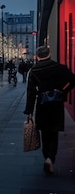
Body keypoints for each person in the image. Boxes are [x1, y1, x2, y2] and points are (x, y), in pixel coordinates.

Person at [24, 45, 75, 174]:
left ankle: (46, 157)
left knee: (45, 133)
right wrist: (63, 91)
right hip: (56, 104)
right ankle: (51, 158)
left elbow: (31, 93)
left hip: (42, 104)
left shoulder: (34, 71)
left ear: (37, 56)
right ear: (49, 54)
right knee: (54, 132)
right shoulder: (59, 68)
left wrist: (29, 111)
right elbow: (73, 80)